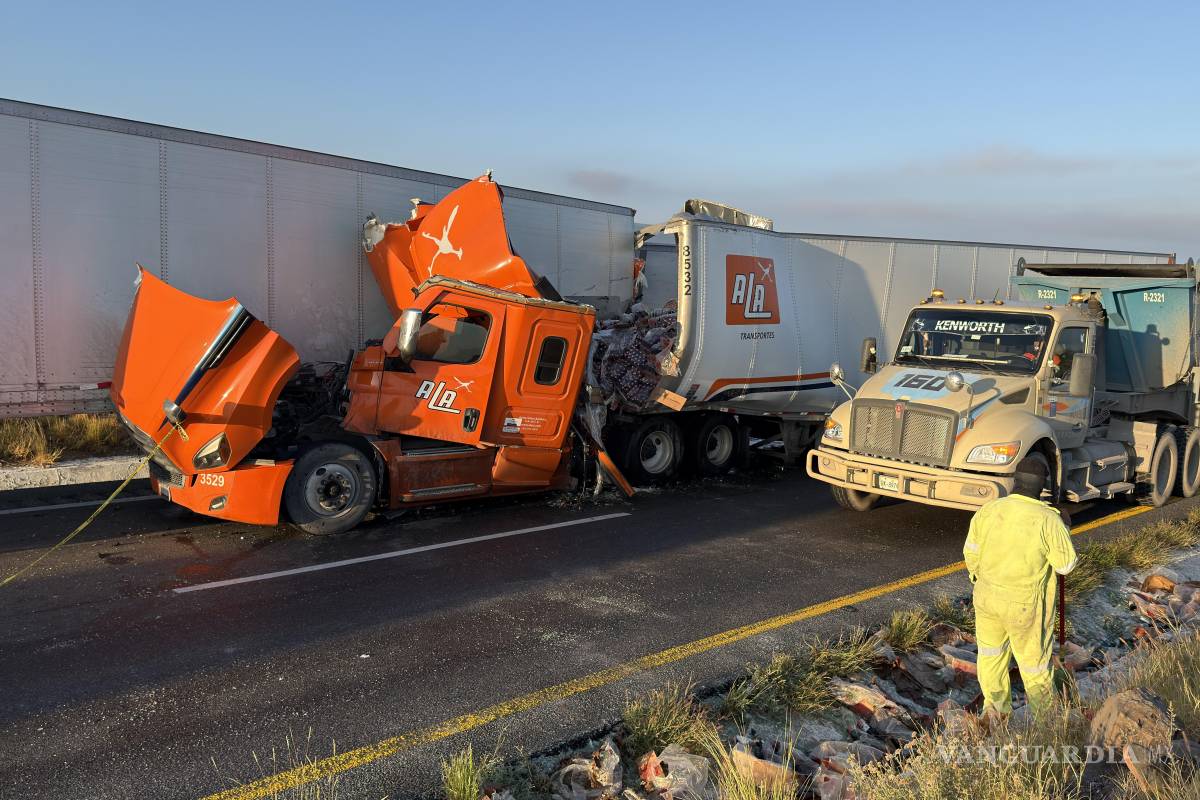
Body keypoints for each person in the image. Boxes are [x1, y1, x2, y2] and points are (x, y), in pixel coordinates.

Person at [963, 457, 1077, 717]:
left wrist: (979, 579)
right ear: (1042, 487)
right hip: (1025, 606)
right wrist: (1066, 529)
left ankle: (994, 714)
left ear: (1015, 480)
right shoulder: (1049, 519)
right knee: (1034, 667)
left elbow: (971, 554)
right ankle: (1044, 725)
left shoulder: (989, 510)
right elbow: (1065, 566)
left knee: (990, 657)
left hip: (987, 597)